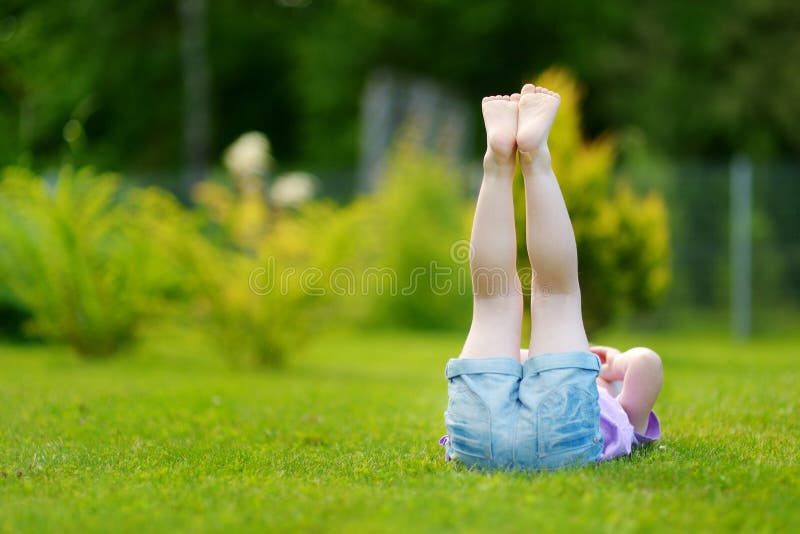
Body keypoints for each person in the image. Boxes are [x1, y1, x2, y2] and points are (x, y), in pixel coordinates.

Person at [440, 85, 663, 470]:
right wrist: (616, 367)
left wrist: (610, 365)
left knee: (539, 294)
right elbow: (649, 364)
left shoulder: (595, 389)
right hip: (492, 436)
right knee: (494, 299)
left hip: (501, 434)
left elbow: (646, 364)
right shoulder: (619, 414)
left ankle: (507, 161)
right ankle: (522, 157)